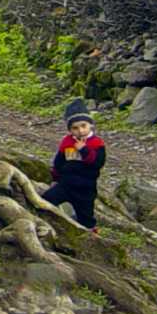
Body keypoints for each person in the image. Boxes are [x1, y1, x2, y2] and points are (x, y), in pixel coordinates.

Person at [41, 98, 106, 230]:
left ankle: (89, 234)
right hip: (67, 184)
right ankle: (51, 225)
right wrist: (55, 176)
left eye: (83, 126)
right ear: (70, 130)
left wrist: (84, 150)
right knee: (46, 200)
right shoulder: (67, 142)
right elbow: (59, 160)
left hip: (85, 188)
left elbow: (97, 163)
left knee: (86, 216)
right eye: (75, 128)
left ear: (90, 125)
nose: (80, 131)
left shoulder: (97, 143)